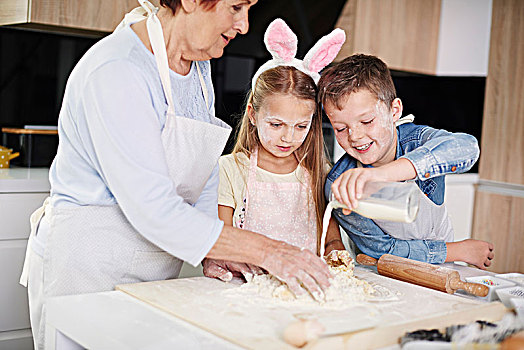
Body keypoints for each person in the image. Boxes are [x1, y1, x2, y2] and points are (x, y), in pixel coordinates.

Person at [18, 2, 333, 349]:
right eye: (236, 7)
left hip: (157, 276)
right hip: (89, 272)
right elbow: (154, 210)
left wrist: (215, 251)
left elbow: (202, 174)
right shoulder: (118, 70)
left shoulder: (198, 71)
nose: (244, 25)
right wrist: (269, 251)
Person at [317, 54, 495, 269]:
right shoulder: (341, 185)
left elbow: (467, 148)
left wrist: (380, 175)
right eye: (341, 128)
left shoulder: (417, 142)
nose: (354, 136)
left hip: (443, 266)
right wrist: (460, 250)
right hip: (389, 273)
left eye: (366, 121)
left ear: (394, 111)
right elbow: (382, 250)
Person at [203, 18, 347, 282]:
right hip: (246, 291)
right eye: (276, 124)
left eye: (301, 126)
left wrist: (336, 253)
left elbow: (331, 241)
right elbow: (222, 242)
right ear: (253, 115)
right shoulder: (231, 169)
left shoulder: (319, 173)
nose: (288, 137)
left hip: (305, 291)